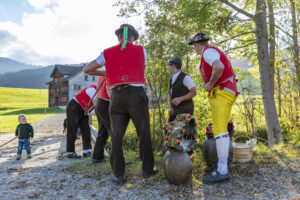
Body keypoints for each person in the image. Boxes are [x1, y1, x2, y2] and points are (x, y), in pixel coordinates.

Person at [84, 24, 156, 185]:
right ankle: (147, 169)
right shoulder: (141, 50)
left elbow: (87, 69)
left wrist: (107, 72)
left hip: (116, 96)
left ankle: (119, 174)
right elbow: (140, 68)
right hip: (136, 95)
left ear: (118, 37)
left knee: (116, 135)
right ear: (132, 38)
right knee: (143, 131)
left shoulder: (107, 53)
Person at [188, 32, 238, 184]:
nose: (194, 50)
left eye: (193, 46)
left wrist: (210, 83)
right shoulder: (210, 53)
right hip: (226, 91)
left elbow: (219, 66)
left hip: (222, 91)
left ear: (197, 44)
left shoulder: (208, 52)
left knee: (219, 130)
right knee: (220, 129)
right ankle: (221, 164)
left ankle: (222, 170)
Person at [66, 85, 97, 159]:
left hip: (84, 110)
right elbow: (97, 106)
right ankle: (71, 152)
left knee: (86, 129)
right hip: (74, 107)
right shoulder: (93, 90)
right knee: (72, 129)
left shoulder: (98, 93)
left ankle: (86, 151)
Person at [167, 57, 197, 122]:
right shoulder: (171, 79)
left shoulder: (186, 78)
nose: (168, 68)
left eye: (169, 66)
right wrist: (170, 107)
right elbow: (170, 94)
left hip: (185, 111)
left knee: (182, 131)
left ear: (173, 66)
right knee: (169, 129)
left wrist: (181, 99)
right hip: (174, 112)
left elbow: (194, 92)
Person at [92, 76, 110, 163]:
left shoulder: (102, 74)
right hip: (106, 104)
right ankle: (118, 160)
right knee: (115, 132)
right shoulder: (111, 71)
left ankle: (97, 157)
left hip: (100, 104)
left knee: (103, 132)